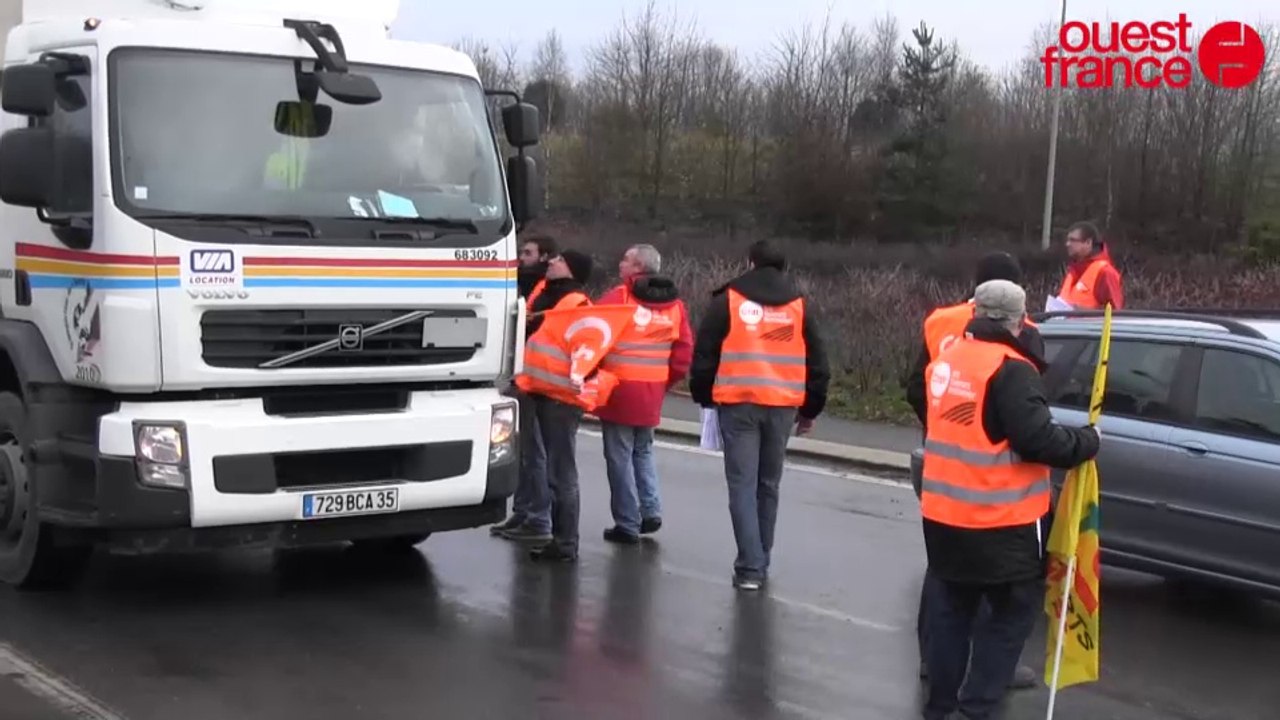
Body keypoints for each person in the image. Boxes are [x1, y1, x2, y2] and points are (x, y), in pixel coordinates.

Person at [919, 280, 1100, 720]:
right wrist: (1087, 441)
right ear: (1021, 321)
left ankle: (941, 706)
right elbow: (1039, 439)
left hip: (943, 517)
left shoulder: (944, 362)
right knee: (1009, 617)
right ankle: (977, 707)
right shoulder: (1012, 369)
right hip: (1004, 521)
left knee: (951, 614)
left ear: (975, 311)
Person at [904, 252, 1044, 690]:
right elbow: (1028, 408)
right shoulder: (1027, 333)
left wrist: (941, 425)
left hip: (940, 459)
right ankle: (984, 673)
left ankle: (934, 659)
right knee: (993, 577)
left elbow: (914, 386)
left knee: (943, 568)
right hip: (995, 476)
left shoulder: (938, 321)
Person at [689, 240, 830, 590]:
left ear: (749, 262)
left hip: (738, 404)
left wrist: (704, 396)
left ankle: (750, 565)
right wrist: (810, 409)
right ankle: (760, 559)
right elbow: (819, 363)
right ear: (784, 267)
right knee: (769, 485)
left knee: (742, 484)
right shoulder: (799, 306)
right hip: (783, 405)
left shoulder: (728, 301)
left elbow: (704, 353)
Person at [595, 244, 693, 544]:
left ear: (637, 267)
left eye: (625, 259)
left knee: (619, 457)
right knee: (643, 450)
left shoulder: (619, 298)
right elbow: (684, 352)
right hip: (652, 391)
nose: (621, 264)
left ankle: (627, 522)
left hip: (619, 390)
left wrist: (591, 376)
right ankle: (650, 510)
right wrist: (664, 381)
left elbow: (593, 334)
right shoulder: (675, 305)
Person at [515, 249, 596, 562]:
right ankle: (559, 539)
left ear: (572, 270)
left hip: (561, 397)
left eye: (559, 260)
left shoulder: (576, 304)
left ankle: (565, 543)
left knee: (562, 473)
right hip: (540, 390)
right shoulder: (547, 297)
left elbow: (588, 349)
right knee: (552, 469)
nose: (551, 262)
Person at [490, 232, 561, 541]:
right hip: (521, 378)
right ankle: (522, 511)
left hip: (536, 381)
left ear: (545, 257)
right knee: (520, 452)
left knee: (536, 454)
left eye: (528, 253)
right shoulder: (522, 284)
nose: (521, 258)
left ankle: (537, 518)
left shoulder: (547, 291)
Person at [1051, 221, 1124, 311]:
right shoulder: (1073, 271)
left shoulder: (1105, 272)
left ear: (1088, 243)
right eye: (1067, 240)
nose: (1067, 244)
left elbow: (1115, 315)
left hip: (1090, 325)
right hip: (1064, 325)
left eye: (1073, 240)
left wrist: (1083, 312)